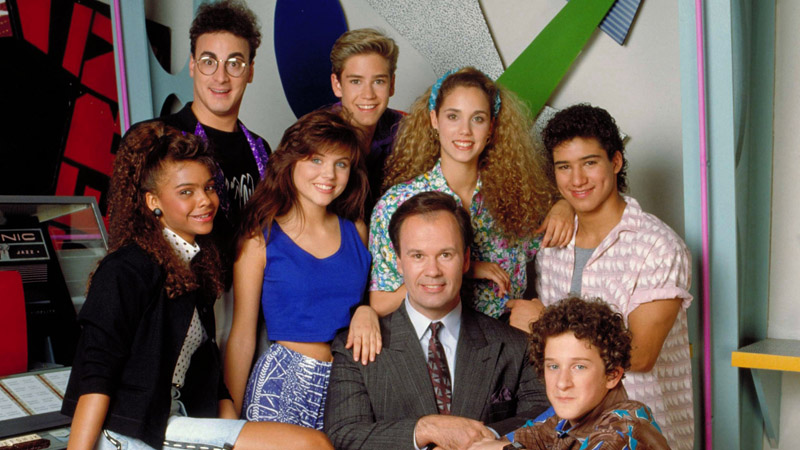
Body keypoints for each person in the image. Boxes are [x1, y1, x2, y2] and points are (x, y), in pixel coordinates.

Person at [61, 122, 331, 450]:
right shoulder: (125, 269)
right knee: (310, 445)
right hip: (129, 432)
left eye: (209, 187)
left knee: (310, 442)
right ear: (153, 201)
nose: (205, 200)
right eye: (186, 192)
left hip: (175, 420)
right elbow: (95, 380)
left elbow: (214, 382)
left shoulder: (196, 267)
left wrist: (235, 433)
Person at [324, 191, 549, 450]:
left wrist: (480, 438)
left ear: (466, 260)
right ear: (399, 262)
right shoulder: (356, 347)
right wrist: (425, 430)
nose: (432, 271)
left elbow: (545, 417)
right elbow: (344, 434)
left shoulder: (516, 346)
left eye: (445, 255)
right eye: (418, 256)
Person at [535, 104, 694, 449]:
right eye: (565, 167)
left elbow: (641, 354)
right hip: (571, 436)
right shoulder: (553, 246)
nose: (577, 179)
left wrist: (539, 322)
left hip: (643, 435)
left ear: (616, 162)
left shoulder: (658, 246)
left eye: (589, 163)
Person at [369, 67, 573, 325]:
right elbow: (380, 304)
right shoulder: (395, 204)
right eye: (453, 116)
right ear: (434, 120)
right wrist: (463, 269)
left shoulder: (518, 196)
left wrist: (566, 205)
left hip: (507, 340)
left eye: (477, 118)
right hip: (429, 343)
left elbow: (578, 217)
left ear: (491, 127)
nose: (464, 130)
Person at [224, 110, 381, 430]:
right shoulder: (259, 239)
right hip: (282, 385)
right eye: (316, 160)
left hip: (349, 382)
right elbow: (241, 335)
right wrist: (227, 425)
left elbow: (366, 304)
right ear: (291, 161)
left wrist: (367, 310)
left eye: (341, 164)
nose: (329, 174)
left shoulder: (357, 230)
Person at [160, 0, 270, 283]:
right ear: (192, 65)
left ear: (251, 71)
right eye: (209, 62)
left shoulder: (262, 150)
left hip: (252, 292)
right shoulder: (159, 138)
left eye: (234, 64)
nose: (221, 77)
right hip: (179, 293)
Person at [468, 297, 669, 450]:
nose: (562, 383)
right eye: (553, 366)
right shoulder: (563, 421)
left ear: (612, 375)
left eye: (579, 367)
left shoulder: (625, 428)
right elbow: (503, 443)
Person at [329, 28, 404, 214]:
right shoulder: (312, 136)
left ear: (392, 85)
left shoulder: (405, 132)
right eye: (356, 81)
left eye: (378, 82)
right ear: (337, 85)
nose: (368, 95)